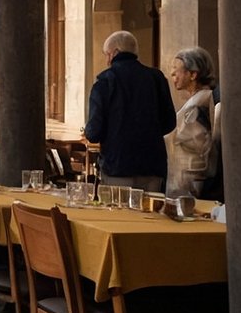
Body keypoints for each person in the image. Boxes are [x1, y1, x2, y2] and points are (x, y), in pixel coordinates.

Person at [85, 30, 176, 193]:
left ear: (115, 53)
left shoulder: (105, 82)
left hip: (118, 165)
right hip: (153, 165)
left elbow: (93, 132)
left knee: (121, 216)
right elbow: (169, 122)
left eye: (106, 54)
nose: (106, 60)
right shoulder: (156, 78)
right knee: (150, 216)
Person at [167, 47, 218, 197]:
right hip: (187, 179)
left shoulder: (200, 102)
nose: (172, 74)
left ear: (193, 74)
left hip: (193, 182)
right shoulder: (197, 100)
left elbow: (197, 141)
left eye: (176, 69)